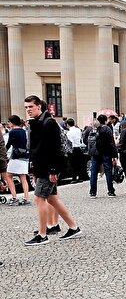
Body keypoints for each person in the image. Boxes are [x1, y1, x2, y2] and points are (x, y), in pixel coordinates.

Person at [23, 96, 82, 245]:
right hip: (43, 167)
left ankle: (42, 235)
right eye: (26, 107)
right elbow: (37, 149)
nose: (28, 109)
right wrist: (34, 169)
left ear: (38, 107)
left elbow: (53, 148)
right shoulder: (37, 123)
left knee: (39, 198)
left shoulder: (48, 123)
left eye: (30, 106)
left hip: (48, 167)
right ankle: (73, 227)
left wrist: (53, 170)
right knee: (51, 198)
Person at [4, 115, 31, 206]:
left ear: (12, 122)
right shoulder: (23, 131)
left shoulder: (13, 132)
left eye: (9, 122)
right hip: (24, 156)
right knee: (23, 177)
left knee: (8, 175)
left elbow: (8, 145)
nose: (8, 123)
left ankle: (14, 197)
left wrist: (4, 154)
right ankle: (26, 198)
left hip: (16, 156)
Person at [88, 114, 117, 198]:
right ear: (105, 120)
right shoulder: (107, 128)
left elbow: (85, 139)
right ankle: (110, 191)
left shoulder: (92, 129)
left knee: (93, 173)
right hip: (106, 153)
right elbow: (111, 142)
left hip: (95, 154)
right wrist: (114, 155)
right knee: (108, 172)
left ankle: (92, 192)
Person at [65, 118, 88, 183]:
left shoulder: (68, 132)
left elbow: (69, 142)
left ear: (67, 125)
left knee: (73, 164)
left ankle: (74, 178)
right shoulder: (78, 130)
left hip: (73, 149)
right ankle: (80, 177)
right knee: (79, 163)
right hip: (79, 148)